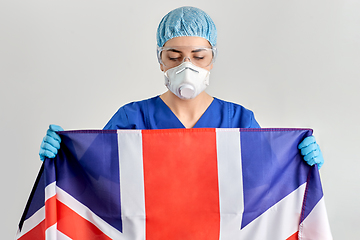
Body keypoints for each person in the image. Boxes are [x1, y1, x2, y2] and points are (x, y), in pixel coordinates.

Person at [39, 6, 324, 169]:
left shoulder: (239, 121)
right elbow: (96, 175)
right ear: (160, 60)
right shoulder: (132, 118)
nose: (186, 66)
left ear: (212, 59)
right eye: (174, 57)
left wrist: (297, 161)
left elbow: (265, 179)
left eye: (199, 57)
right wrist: (64, 156)